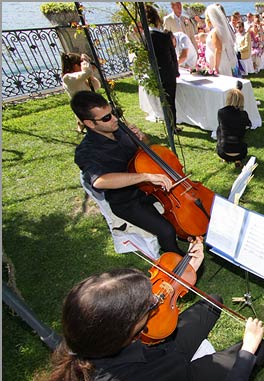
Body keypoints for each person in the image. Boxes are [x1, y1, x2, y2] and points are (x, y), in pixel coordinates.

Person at [44, 241, 264, 381]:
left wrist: (186, 271)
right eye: (149, 305)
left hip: (163, 353)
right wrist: (247, 351)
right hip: (177, 379)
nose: (157, 298)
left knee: (212, 303)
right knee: (259, 349)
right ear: (126, 331)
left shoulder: (88, 331)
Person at [71, 91, 184, 255]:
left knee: (185, 207)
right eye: (106, 118)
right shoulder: (86, 152)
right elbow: (100, 181)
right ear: (89, 123)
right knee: (166, 231)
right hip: (127, 201)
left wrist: (142, 139)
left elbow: (142, 153)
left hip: (149, 189)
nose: (115, 119)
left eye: (113, 113)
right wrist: (146, 177)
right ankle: (175, 258)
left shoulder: (120, 129)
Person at [145, 4, 180, 128]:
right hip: (167, 73)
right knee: (170, 101)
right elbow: (173, 56)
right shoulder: (163, 36)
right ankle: (172, 126)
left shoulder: (145, 37)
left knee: (163, 101)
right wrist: (176, 72)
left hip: (154, 73)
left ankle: (169, 123)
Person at [60, 52, 101, 132]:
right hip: (82, 106)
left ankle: (81, 125)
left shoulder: (80, 77)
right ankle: (81, 124)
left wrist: (91, 76)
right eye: (81, 64)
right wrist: (85, 61)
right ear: (75, 65)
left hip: (90, 103)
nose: (83, 66)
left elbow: (96, 86)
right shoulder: (67, 78)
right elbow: (86, 72)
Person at [216, 88, 251, 168]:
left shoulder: (221, 112)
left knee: (219, 129)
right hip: (241, 153)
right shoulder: (244, 114)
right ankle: (237, 160)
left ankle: (225, 158)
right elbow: (246, 127)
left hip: (223, 152)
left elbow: (220, 125)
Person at [205, 4, 238, 76]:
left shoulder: (215, 32)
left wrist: (215, 67)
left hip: (219, 64)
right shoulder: (221, 30)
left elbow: (218, 49)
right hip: (222, 61)